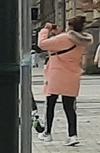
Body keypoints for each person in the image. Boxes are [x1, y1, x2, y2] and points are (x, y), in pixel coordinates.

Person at [35, 16, 87, 145]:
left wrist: (45, 30)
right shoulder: (82, 40)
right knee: (69, 106)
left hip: (57, 73)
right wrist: (59, 34)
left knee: (50, 103)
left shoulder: (64, 38)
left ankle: (47, 132)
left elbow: (42, 44)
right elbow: (65, 46)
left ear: (70, 27)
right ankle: (72, 134)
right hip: (72, 75)